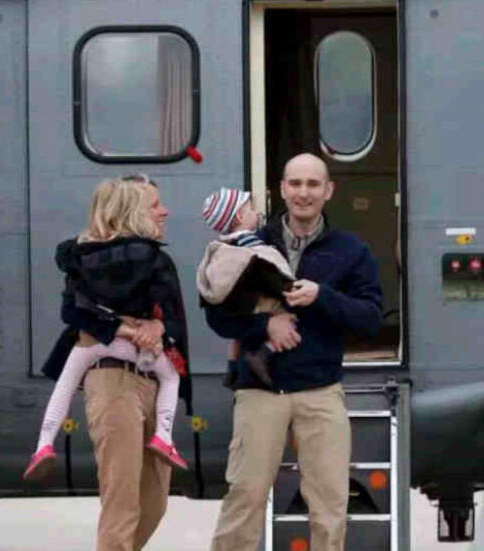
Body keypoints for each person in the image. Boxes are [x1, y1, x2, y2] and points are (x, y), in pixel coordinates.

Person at [206, 153, 383, 551]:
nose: (304, 193)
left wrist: (322, 296)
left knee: (330, 507)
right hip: (259, 393)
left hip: (321, 392)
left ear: (329, 191)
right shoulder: (250, 243)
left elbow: (370, 319)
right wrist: (264, 325)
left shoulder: (352, 251)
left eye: (313, 185)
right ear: (282, 189)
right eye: (296, 184)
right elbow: (217, 319)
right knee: (244, 499)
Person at [42, 175, 191, 551]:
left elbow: (176, 319)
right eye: (155, 204)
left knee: (153, 505)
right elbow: (73, 313)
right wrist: (122, 328)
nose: (164, 211)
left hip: (155, 380)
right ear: (131, 211)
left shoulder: (159, 260)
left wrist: (158, 326)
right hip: (112, 380)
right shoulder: (85, 261)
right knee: (122, 502)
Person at [196, 187, 295, 386]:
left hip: (238, 306)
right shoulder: (248, 242)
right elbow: (266, 266)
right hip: (259, 302)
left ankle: (232, 368)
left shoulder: (223, 246)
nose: (256, 214)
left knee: (237, 337)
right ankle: (264, 352)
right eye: (251, 210)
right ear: (240, 216)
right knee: (290, 319)